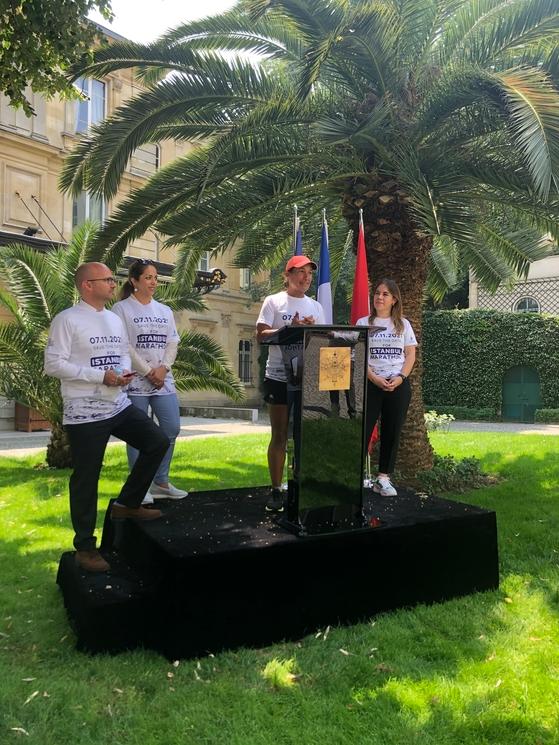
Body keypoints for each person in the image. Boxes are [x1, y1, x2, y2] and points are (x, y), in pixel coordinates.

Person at [44, 262, 170, 573]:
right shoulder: (67, 320)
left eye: (113, 279)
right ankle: (85, 547)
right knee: (87, 478)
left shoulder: (113, 320)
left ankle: (127, 505)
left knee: (157, 441)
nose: (114, 284)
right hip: (84, 411)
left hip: (118, 405)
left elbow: (123, 352)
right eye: (107, 279)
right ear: (87, 285)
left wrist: (124, 372)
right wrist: (100, 376)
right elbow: (53, 364)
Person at [112, 259, 188, 505]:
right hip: (136, 381)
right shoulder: (121, 309)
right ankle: (139, 485)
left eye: (155, 277)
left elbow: (173, 342)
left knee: (171, 427)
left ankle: (161, 481)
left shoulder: (164, 310)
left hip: (162, 379)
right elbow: (124, 346)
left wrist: (163, 369)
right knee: (138, 434)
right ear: (134, 281)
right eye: (148, 277)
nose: (154, 282)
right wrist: (147, 372)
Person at [256, 255, 325, 512]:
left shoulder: (316, 307)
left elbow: (324, 340)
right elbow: (260, 335)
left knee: (306, 436)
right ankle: (276, 490)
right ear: (288, 275)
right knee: (280, 435)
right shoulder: (273, 301)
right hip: (278, 376)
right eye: (301, 272)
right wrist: (289, 329)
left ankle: (303, 487)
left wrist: (311, 329)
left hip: (308, 380)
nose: (306, 277)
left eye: (309, 273)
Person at [357, 278, 417, 497]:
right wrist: (373, 378)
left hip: (398, 385)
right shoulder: (363, 323)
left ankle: (383, 479)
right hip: (371, 384)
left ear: (394, 300)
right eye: (377, 293)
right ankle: (353, 477)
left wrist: (401, 377)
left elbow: (410, 354)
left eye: (385, 294)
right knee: (362, 430)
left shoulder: (404, 324)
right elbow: (359, 356)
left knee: (392, 431)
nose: (379, 297)